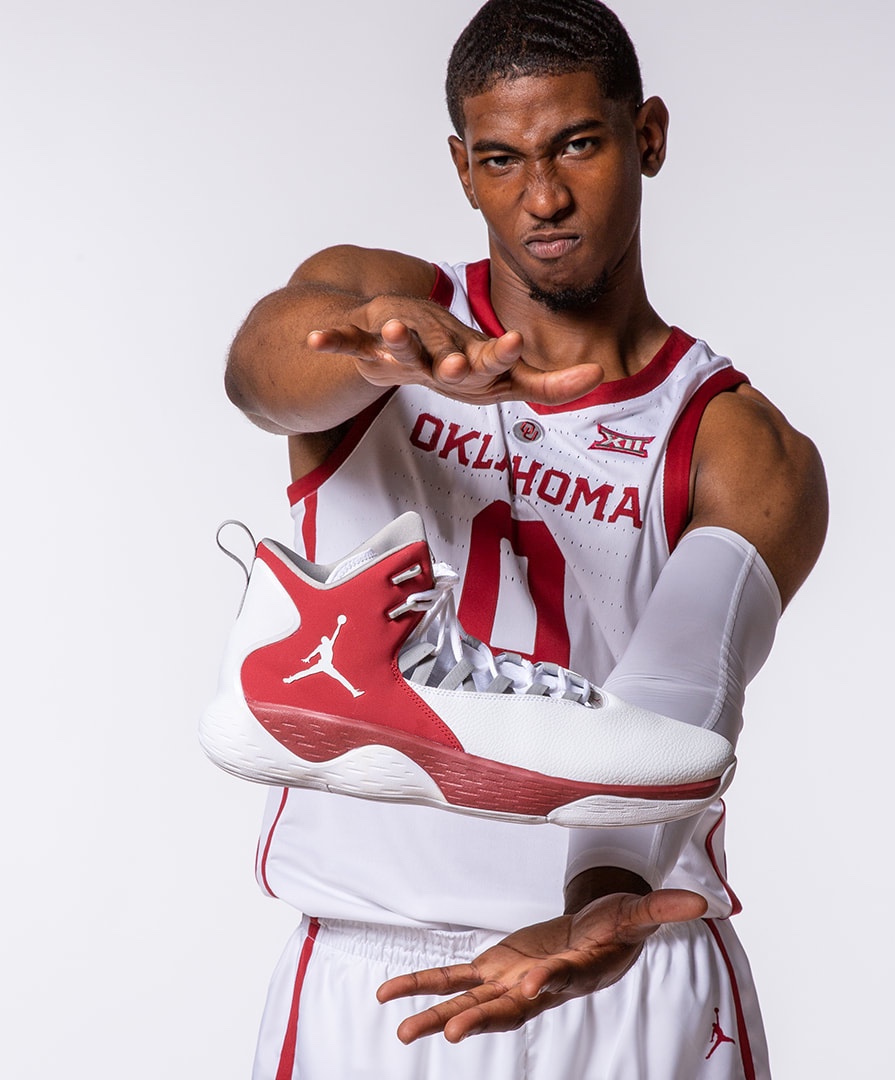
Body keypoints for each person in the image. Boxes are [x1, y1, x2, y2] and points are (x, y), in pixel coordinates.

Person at [223, 1, 827, 1076]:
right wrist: (372, 361)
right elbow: (260, 375)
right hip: (368, 966)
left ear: (648, 136)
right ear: (464, 169)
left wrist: (601, 904)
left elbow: (674, 698)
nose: (541, 198)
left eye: (577, 145)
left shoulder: (737, 443)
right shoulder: (385, 314)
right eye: (501, 160)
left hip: (630, 963)